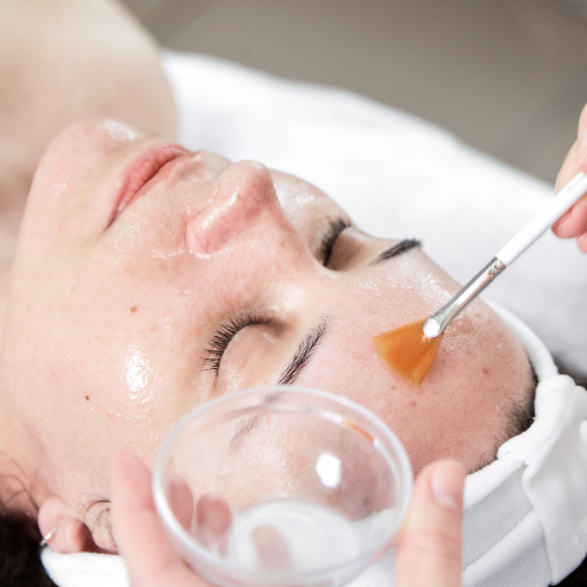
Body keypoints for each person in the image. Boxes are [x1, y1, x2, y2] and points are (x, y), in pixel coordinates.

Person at [0, 1, 584, 586]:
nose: (246, 188)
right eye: (335, 244)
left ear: (106, 545)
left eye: (236, 342)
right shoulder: (87, 77)